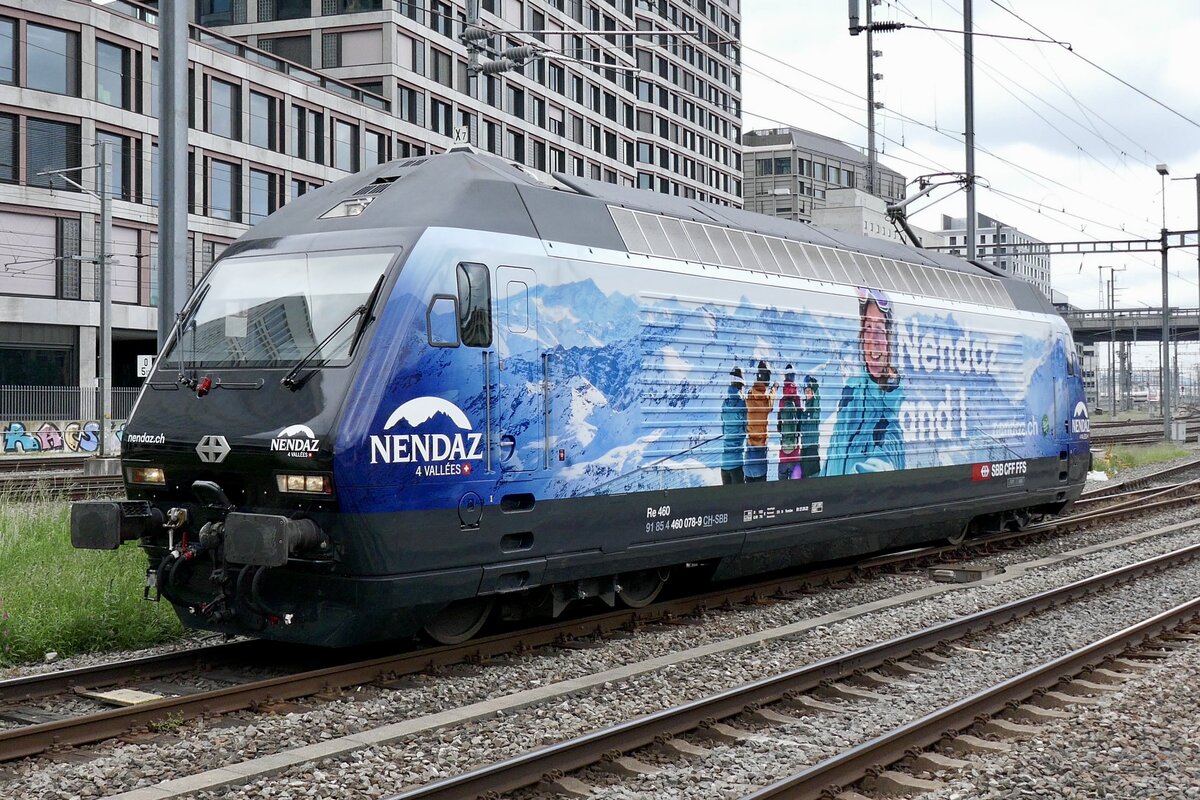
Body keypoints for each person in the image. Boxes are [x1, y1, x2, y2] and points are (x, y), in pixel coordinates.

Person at [826, 288, 906, 475]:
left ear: (889, 339)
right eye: (867, 329)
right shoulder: (852, 391)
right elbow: (834, 453)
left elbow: (885, 461)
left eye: (878, 330)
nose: (872, 339)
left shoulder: (888, 419)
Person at [744, 360, 778, 482]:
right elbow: (771, 403)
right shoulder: (765, 401)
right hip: (760, 455)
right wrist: (774, 389)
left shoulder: (749, 396)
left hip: (748, 455)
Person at [719, 366, 747, 484]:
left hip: (724, 465)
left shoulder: (725, 403)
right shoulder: (742, 403)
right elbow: (746, 428)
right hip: (736, 464)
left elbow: (723, 429)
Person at [776, 365, 803, 480]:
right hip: (795, 455)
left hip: (783, 456)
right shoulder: (796, 398)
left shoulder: (782, 400)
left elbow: (779, 426)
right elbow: (800, 423)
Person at [799, 374, 821, 478]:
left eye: (809, 391)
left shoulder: (814, 407)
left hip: (812, 448)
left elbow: (817, 399)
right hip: (804, 449)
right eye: (806, 391)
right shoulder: (806, 408)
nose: (807, 393)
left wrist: (814, 386)